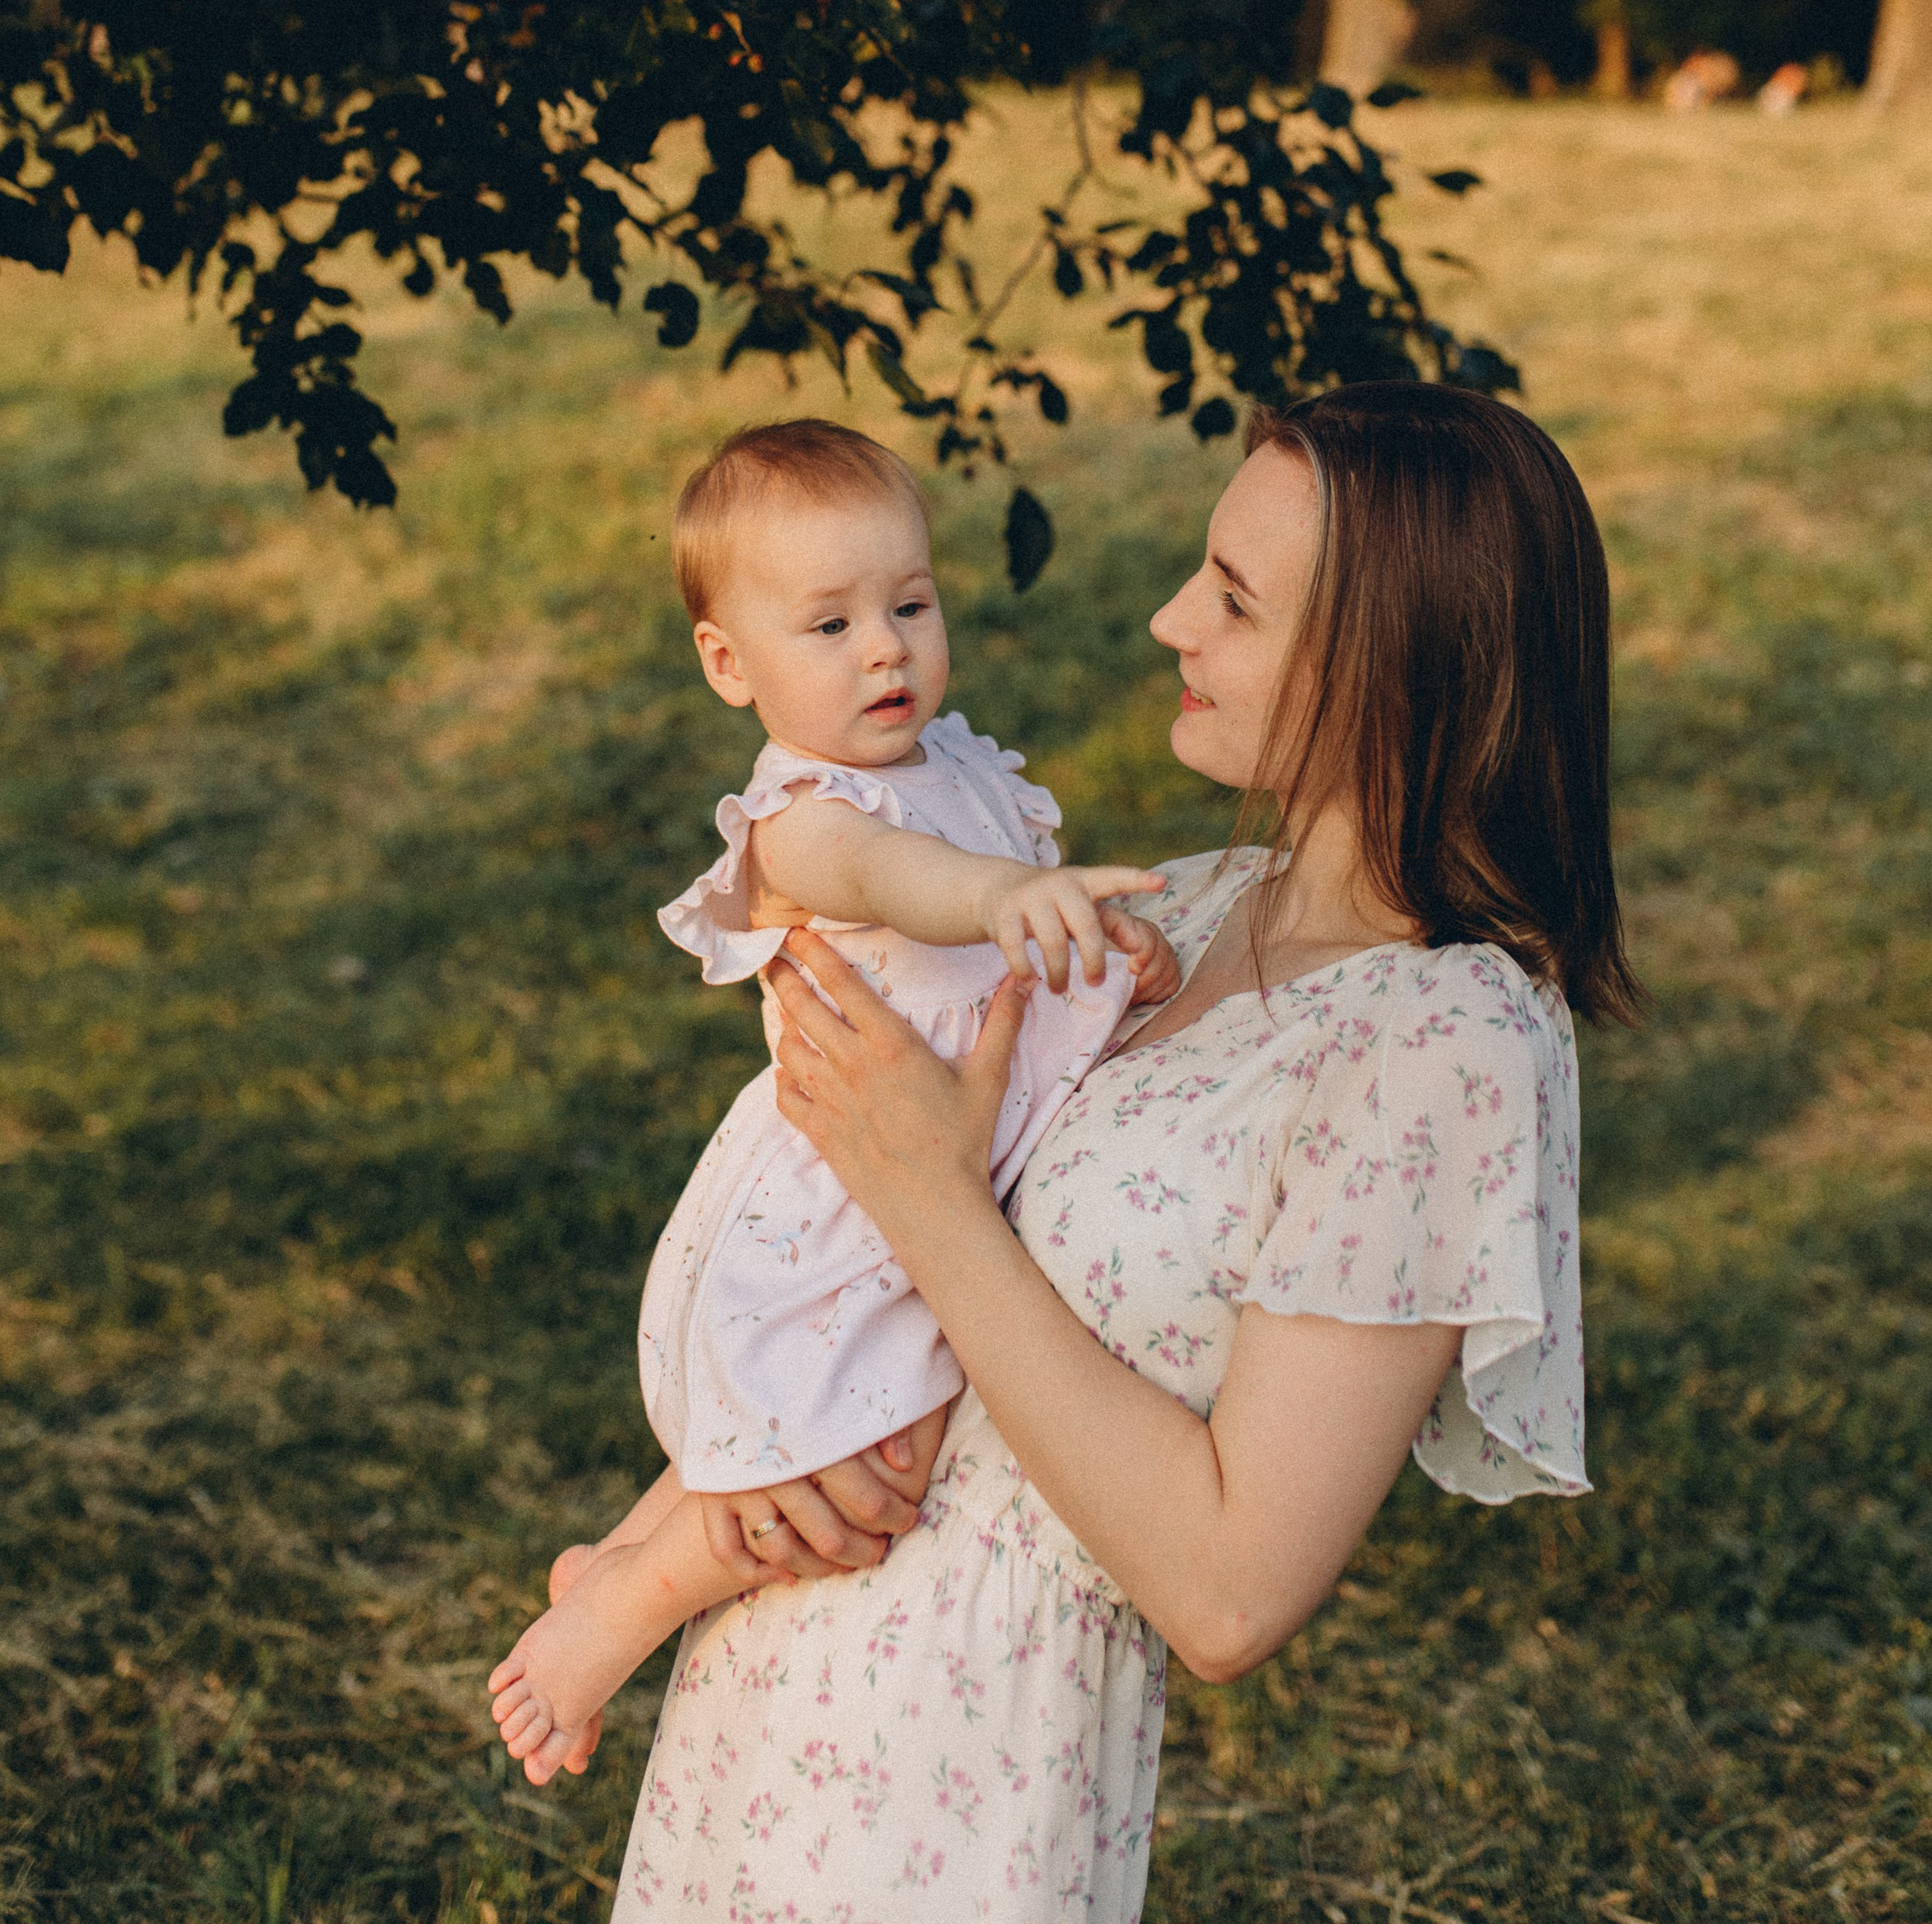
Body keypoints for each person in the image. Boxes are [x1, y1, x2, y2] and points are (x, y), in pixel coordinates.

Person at [597, 381, 1640, 1919]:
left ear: (1387, 662)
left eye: (1227, 598)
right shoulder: (1205, 905)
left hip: (957, 1753)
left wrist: (923, 1195)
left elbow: (1227, 1590)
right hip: (785, 1662)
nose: (1165, 622)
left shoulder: (1445, 1046)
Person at [489, 420, 1179, 1781]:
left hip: (941, 1158)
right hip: (855, 1196)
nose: (885, 649)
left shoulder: (968, 770)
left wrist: (1100, 960)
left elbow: (1005, 960)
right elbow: (896, 883)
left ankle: (618, 1551)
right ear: (729, 665)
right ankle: (624, 1613)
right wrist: (1001, 897)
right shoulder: (804, 814)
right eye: (832, 625)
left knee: (800, 1408)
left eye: (910, 606)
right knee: (860, 1446)